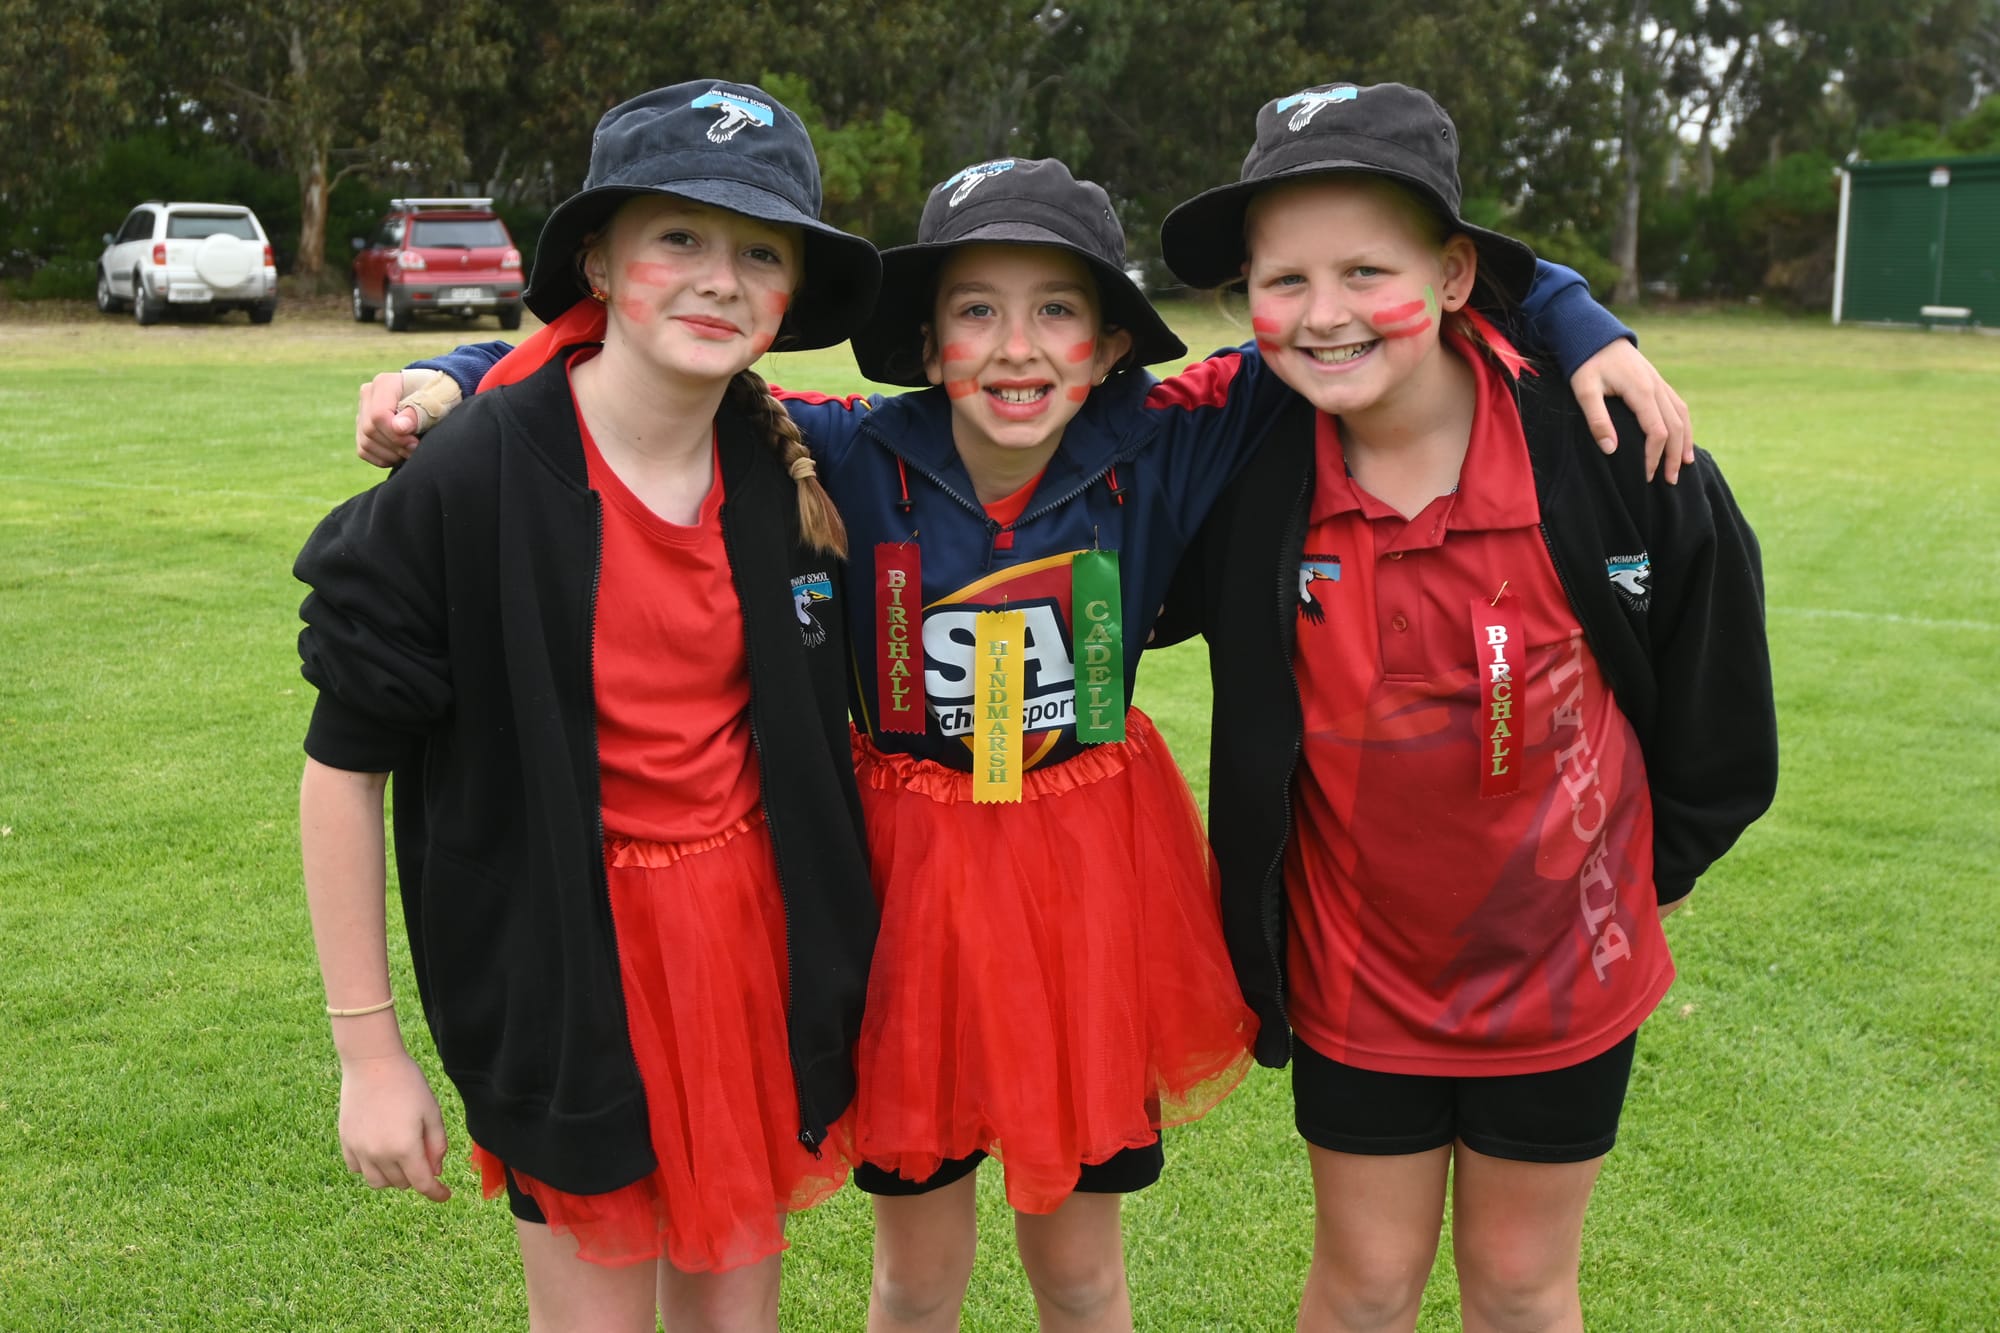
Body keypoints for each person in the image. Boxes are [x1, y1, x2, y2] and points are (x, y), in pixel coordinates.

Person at [356, 158, 1686, 1333]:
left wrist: (1573, 313)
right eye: (976, 310)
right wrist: (457, 372)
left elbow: (1373, 307)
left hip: (1089, 894)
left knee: (1084, 1276)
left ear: (1112, 343)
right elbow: (638, 365)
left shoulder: (1176, 436)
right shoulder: (838, 453)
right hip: (910, 896)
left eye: (1057, 309)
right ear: (925, 339)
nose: (1016, 348)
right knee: (918, 1278)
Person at [1155, 82, 1778, 1332]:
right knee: (1364, 1281)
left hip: (1566, 978)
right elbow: (1054, 441)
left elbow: (1719, 700)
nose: (1321, 316)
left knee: (1520, 1284)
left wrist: (1638, 873)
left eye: (1363, 272)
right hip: (1352, 981)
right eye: (1281, 282)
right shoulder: (1242, 458)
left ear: (1451, 277)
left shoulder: (1603, 445)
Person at [294, 80, 882, 1333]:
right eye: (678, 238)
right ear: (601, 265)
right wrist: (367, 1054)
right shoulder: (476, 472)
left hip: (747, 957)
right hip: (564, 962)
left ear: (787, 299)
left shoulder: (786, 470)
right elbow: (344, 762)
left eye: (759, 251)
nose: (718, 278)